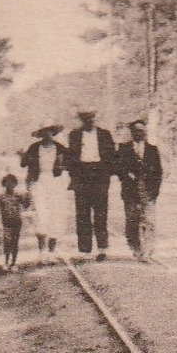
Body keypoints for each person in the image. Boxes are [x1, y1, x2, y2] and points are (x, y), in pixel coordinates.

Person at [66, 110, 117, 260]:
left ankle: (102, 248)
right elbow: (70, 157)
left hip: (100, 175)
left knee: (100, 212)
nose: (89, 121)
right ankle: (84, 249)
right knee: (82, 213)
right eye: (86, 118)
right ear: (82, 120)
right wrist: (74, 174)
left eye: (92, 118)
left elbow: (112, 155)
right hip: (82, 174)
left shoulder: (105, 134)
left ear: (95, 118)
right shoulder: (74, 135)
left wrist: (107, 173)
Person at [115, 120, 164, 260]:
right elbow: (117, 168)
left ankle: (147, 250)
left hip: (147, 191)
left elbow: (158, 172)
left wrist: (154, 192)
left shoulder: (152, 149)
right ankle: (135, 247)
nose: (141, 134)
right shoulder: (124, 148)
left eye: (143, 131)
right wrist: (127, 174)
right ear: (132, 132)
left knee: (149, 221)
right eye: (137, 131)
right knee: (132, 220)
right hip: (130, 191)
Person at [20, 125, 68, 255]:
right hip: (39, 182)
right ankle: (42, 251)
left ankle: (51, 251)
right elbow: (24, 164)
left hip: (55, 182)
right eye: (44, 132)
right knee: (41, 215)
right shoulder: (34, 148)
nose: (47, 135)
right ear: (41, 134)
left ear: (53, 133)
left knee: (55, 215)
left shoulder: (60, 148)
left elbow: (69, 164)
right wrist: (28, 186)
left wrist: (62, 166)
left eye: (50, 132)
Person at [0, 174, 26, 270]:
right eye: (7, 183)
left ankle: (14, 263)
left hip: (16, 222)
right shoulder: (1, 197)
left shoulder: (18, 196)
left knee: (15, 242)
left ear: (15, 184)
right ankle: (6, 262)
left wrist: (27, 196)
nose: (10, 185)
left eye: (12, 183)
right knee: (7, 241)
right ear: (4, 184)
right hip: (6, 223)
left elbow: (26, 204)